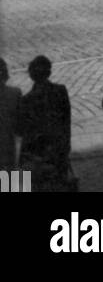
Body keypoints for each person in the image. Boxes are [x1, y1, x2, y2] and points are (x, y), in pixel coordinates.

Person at [18, 56, 72, 191]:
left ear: (31, 75)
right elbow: (66, 120)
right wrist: (65, 145)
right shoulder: (60, 91)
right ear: (49, 72)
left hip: (35, 152)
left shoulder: (26, 100)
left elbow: (21, 130)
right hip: (57, 148)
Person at [0, 59, 22, 173]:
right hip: (9, 149)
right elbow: (20, 127)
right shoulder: (15, 93)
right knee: (14, 184)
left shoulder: (15, 93)